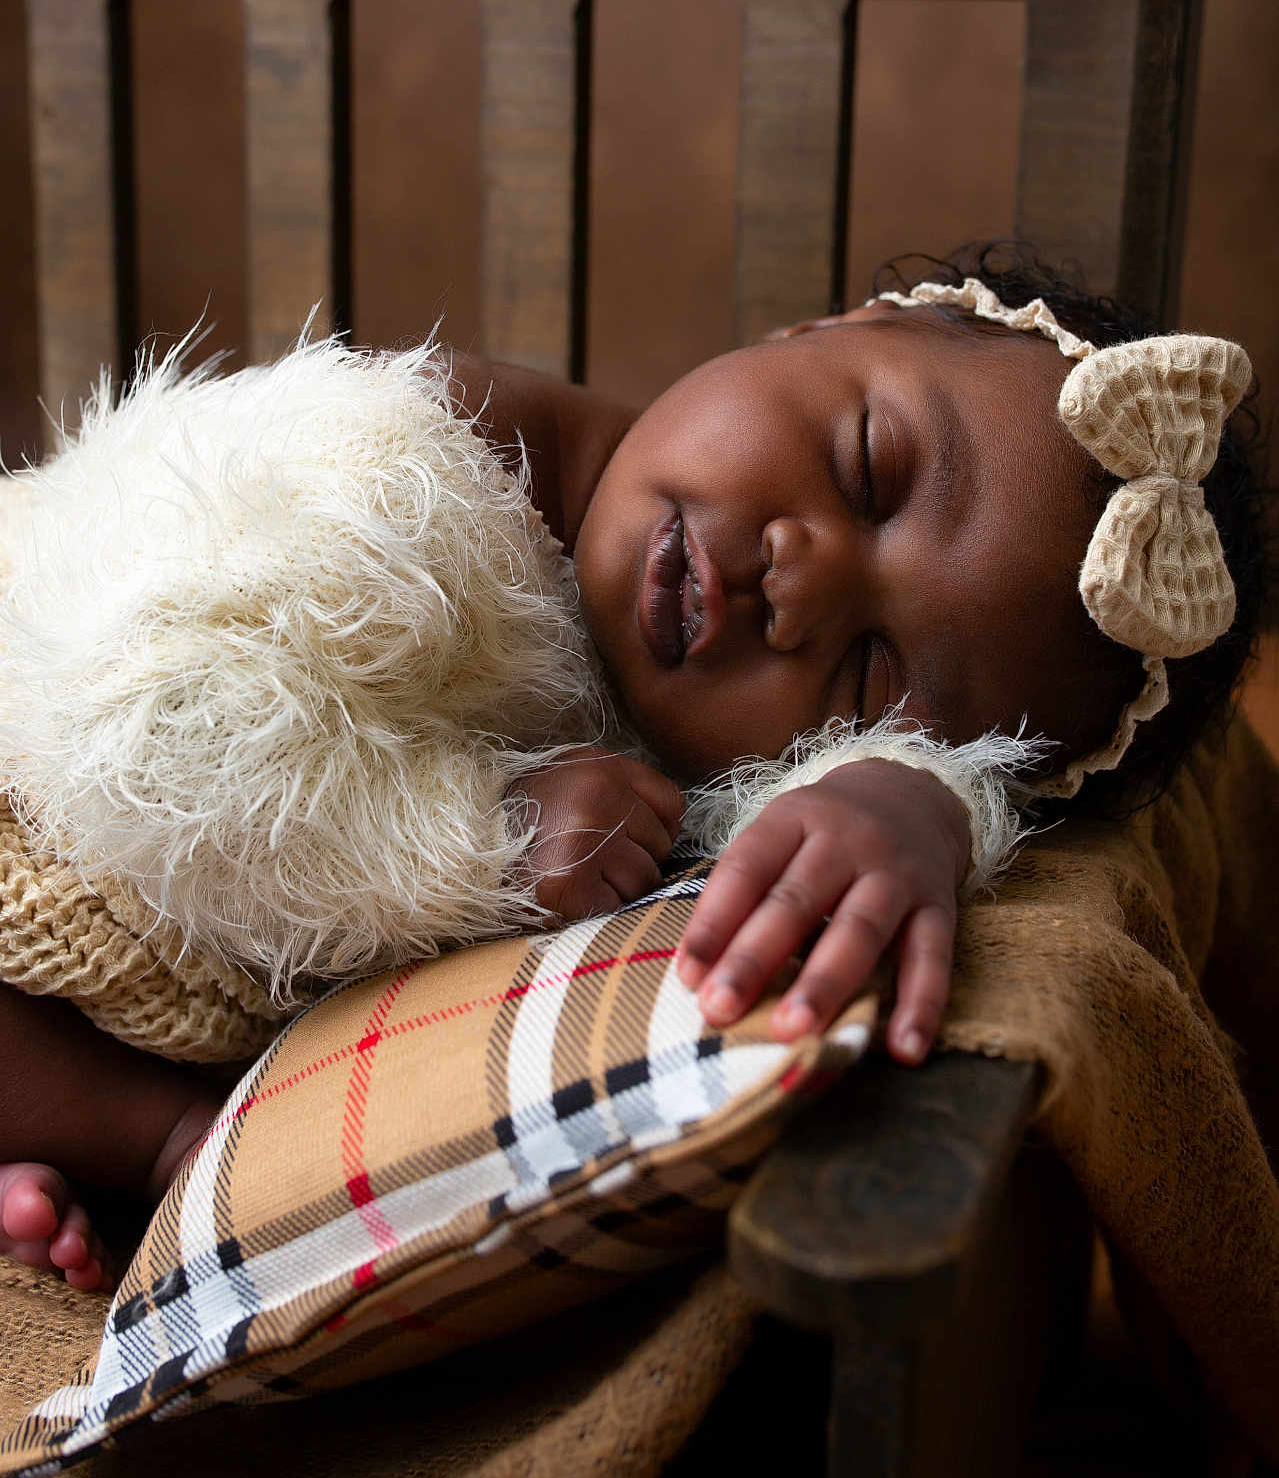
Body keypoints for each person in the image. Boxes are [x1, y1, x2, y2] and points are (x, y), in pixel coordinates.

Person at [0, 243, 1266, 1292]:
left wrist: (910, 799)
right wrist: (483, 833)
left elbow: (795, 805)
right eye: (867, 467)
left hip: (143, 965)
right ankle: (157, 1138)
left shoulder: (687, 732)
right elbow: (159, 730)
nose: (802, 579)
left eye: (872, 681)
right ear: (833, 321)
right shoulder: (410, 460)